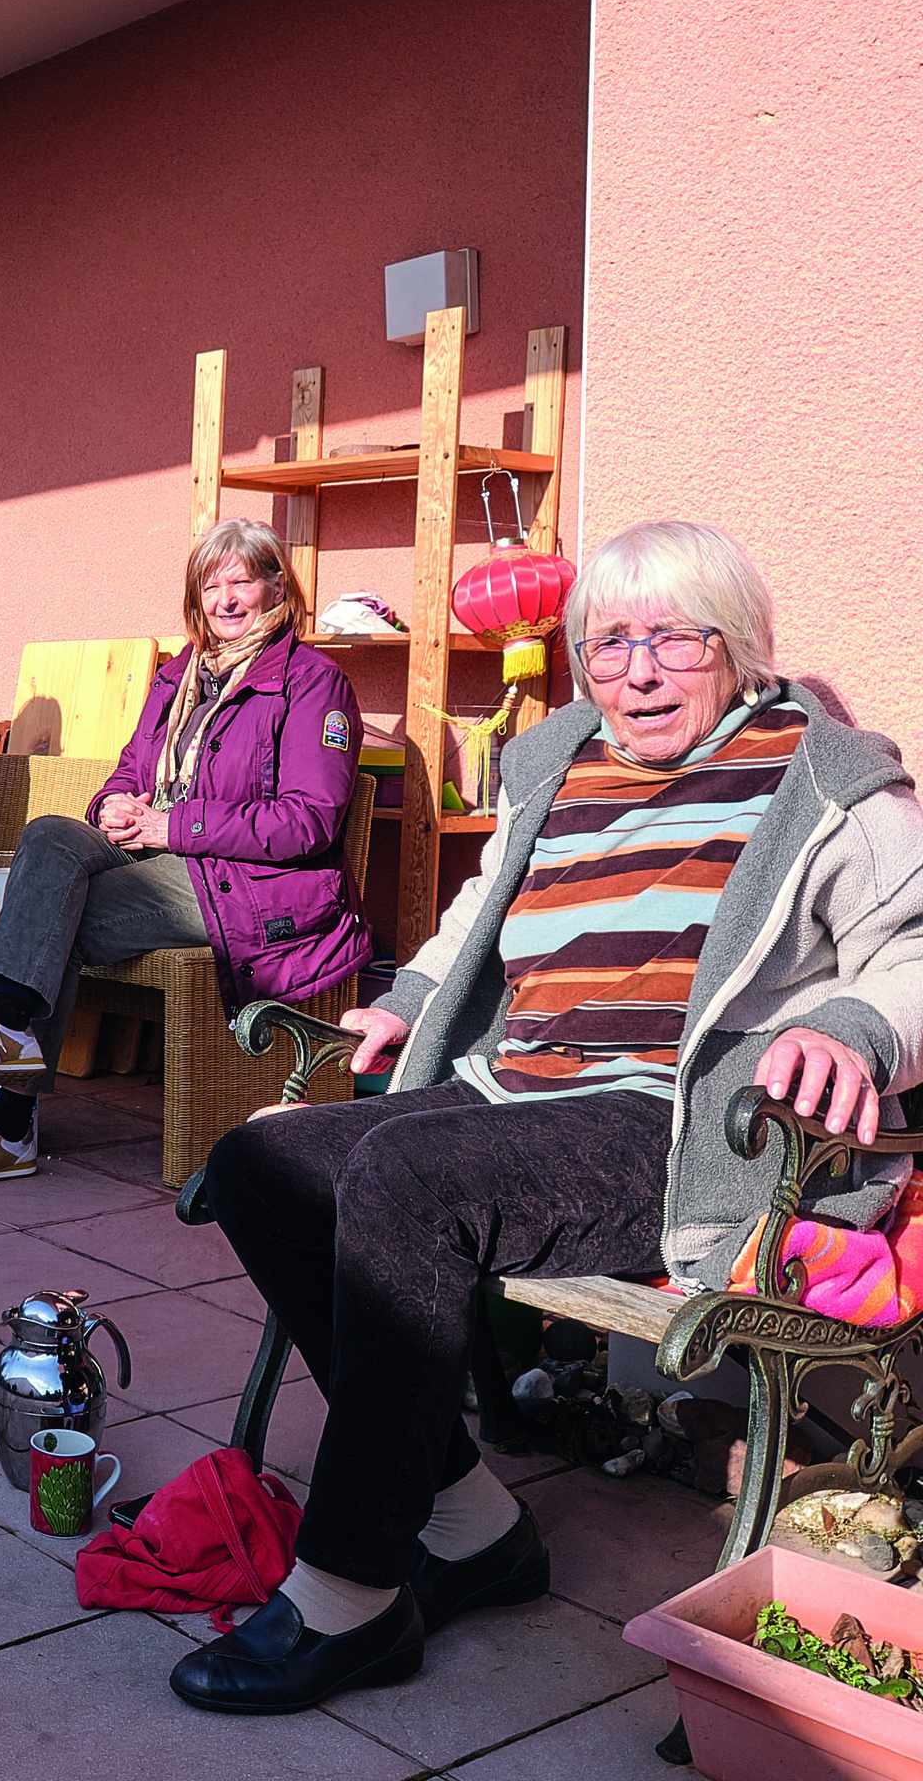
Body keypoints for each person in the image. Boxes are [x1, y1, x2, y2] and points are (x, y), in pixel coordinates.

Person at [168, 520, 923, 1716]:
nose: (636, 670)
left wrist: (855, 1031)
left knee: (409, 1180)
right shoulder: (559, 757)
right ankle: (473, 1523)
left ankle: (352, 1594)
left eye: (674, 639)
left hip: (674, 1125)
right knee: (262, 1163)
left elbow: (912, 946)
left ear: (741, 648)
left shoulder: (826, 777)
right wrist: (409, 1000)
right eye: (608, 642)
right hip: (511, 1093)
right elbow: (483, 902)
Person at [0, 517, 371, 1186]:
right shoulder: (178, 676)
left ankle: (9, 1124)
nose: (225, 600)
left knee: (51, 923)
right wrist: (113, 808)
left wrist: (169, 826)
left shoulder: (313, 683)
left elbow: (309, 822)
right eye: (211, 586)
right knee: (48, 835)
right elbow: (130, 771)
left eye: (241, 581)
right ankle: (7, 1031)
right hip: (169, 856)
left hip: (255, 885)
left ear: (277, 586)